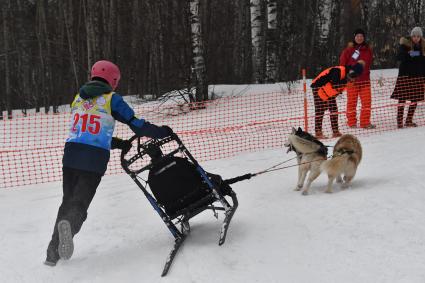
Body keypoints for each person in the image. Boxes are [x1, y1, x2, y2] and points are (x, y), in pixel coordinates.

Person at [45, 60, 173, 266]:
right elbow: (137, 125)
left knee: (68, 201)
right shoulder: (112, 99)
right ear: (113, 80)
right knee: (79, 205)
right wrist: (162, 132)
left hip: (71, 155)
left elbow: (88, 130)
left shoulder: (78, 98)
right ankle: (69, 225)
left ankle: (52, 253)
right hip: (93, 160)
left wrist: (119, 144)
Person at [310, 61, 365, 139]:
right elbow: (335, 84)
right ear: (351, 72)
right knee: (320, 110)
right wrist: (347, 79)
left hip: (329, 90)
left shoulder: (348, 74)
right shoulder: (338, 71)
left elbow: (338, 87)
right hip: (318, 86)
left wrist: (348, 80)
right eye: (353, 77)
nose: (354, 79)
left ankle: (335, 132)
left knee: (334, 109)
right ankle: (318, 132)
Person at [339, 28, 375, 129]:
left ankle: (365, 122)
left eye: (361, 36)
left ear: (364, 38)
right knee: (351, 102)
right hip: (352, 81)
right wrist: (347, 74)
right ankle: (351, 122)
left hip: (365, 80)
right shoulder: (348, 50)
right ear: (354, 37)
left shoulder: (368, 50)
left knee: (367, 102)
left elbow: (368, 64)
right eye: (357, 36)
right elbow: (342, 64)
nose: (359, 38)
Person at [391, 27, 425, 128]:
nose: (416, 38)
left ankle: (409, 120)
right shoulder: (404, 45)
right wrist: (415, 54)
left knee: (415, 99)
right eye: (414, 36)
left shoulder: (423, 46)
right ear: (411, 36)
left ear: (420, 37)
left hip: (418, 76)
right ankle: (399, 121)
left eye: (418, 36)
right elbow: (400, 57)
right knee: (402, 99)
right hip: (405, 76)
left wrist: (413, 54)